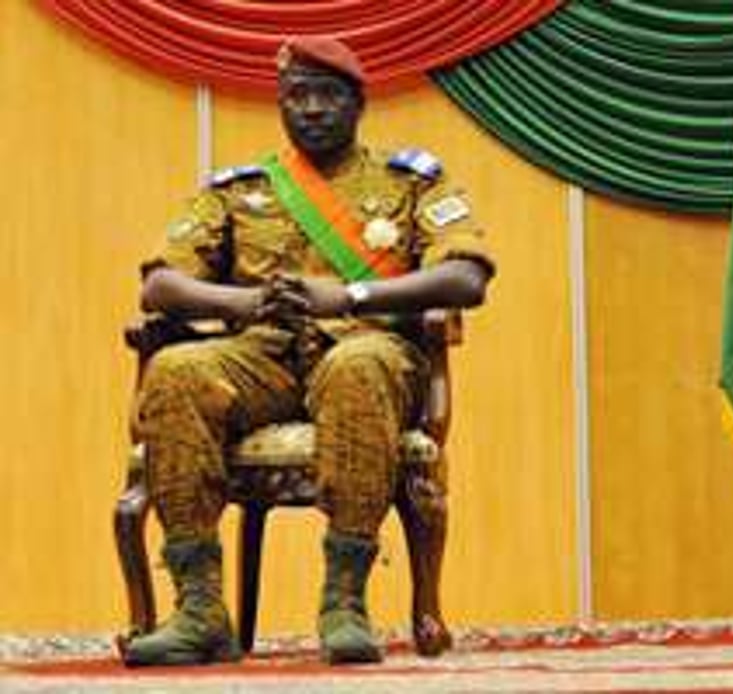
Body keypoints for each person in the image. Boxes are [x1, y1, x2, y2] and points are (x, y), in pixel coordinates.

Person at [122, 35, 494, 666]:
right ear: (282, 105)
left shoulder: (409, 183)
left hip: (368, 350)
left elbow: (467, 278)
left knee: (357, 365)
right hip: (261, 358)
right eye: (298, 96)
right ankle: (200, 609)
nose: (313, 109)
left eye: (329, 95)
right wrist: (241, 305)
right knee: (176, 369)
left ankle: (344, 601)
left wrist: (346, 296)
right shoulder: (240, 191)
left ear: (358, 103)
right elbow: (160, 283)